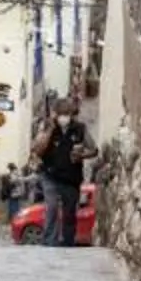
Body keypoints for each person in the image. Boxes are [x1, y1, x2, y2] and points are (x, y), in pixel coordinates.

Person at [29, 95, 95, 248]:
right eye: (61, 114)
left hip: (71, 177)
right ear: (55, 114)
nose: (64, 118)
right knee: (51, 206)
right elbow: (37, 150)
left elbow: (93, 149)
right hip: (50, 174)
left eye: (67, 114)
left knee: (70, 211)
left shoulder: (80, 129)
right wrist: (49, 130)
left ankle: (68, 243)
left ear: (71, 114)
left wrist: (81, 155)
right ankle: (49, 241)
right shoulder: (47, 127)